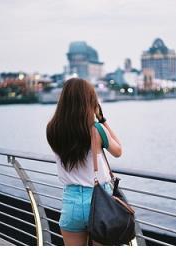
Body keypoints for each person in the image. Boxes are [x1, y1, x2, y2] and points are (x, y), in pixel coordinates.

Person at [46, 77, 122, 246]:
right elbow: (118, 150)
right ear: (90, 101)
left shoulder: (53, 129)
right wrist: (102, 119)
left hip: (71, 202)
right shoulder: (96, 130)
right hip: (99, 200)